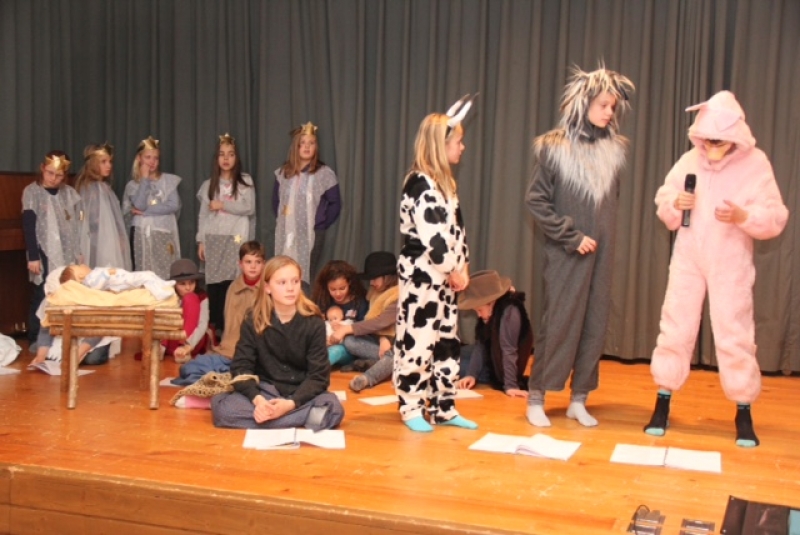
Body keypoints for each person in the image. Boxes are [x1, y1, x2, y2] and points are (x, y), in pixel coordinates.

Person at [643, 91, 788, 447]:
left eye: (717, 141)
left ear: (734, 136)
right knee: (675, 326)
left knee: (734, 332)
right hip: (689, 257)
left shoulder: (756, 164)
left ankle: (743, 409)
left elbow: (775, 214)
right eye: (706, 140)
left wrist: (744, 216)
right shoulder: (689, 159)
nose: (710, 147)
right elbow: (664, 197)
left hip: (731, 261)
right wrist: (676, 203)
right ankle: (663, 400)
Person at [524, 65, 634, 428]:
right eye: (603, 104)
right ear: (583, 103)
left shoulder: (613, 152)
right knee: (559, 322)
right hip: (567, 254)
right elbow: (536, 201)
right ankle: (537, 396)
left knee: (595, 322)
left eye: (612, 106)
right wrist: (570, 236)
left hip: (602, 255)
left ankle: (579, 398)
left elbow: (610, 205)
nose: (609, 112)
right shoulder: (554, 149)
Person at [393, 96, 476, 433]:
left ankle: (444, 406)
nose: (462, 147)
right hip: (422, 278)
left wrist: (463, 266)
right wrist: (452, 269)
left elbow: (457, 230)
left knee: (446, 342)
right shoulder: (419, 184)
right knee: (418, 340)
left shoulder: (446, 185)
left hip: (445, 280)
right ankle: (411, 406)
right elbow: (433, 238)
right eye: (458, 142)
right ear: (440, 145)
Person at [211, 255, 345, 430]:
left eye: (295, 281)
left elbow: (318, 377)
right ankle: (300, 419)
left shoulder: (314, 322)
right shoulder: (253, 320)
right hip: (265, 391)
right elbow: (241, 367)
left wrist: (290, 404)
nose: (290, 288)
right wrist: (258, 401)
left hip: (301, 392)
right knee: (223, 409)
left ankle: (273, 419)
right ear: (267, 287)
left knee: (334, 409)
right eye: (282, 283)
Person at [170, 240, 266, 390]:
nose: (253, 266)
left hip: (256, 352)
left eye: (257, 262)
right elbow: (230, 325)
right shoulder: (233, 288)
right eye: (248, 262)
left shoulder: (267, 289)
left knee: (249, 373)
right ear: (240, 264)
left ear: (264, 264)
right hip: (228, 349)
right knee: (191, 368)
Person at [196, 133, 256, 335]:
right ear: (217, 158)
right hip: (214, 239)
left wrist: (223, 204)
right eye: (222, 154)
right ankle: (216, 328)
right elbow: (203, 215)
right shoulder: (209, 185)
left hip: (236, 238)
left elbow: (248, 207)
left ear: (236, 158)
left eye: (230, 154)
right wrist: (201, 241)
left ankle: (233, 327)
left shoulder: (245, 182)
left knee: (233, 281)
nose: (226, 158)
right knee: (215, 284)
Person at [22, 151, 82, 349]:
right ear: (42, 169)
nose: (54, 179)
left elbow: (75, 226)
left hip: (67, 250)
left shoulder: (68, 193)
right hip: (44, 250)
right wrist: (33, 256)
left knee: (66, 289)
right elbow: (29, 225)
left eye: (59, 175)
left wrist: (78, 251)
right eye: (50, 173)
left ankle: (60, 335)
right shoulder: (32, 192)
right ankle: (35, 337)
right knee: (43, 291)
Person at [272, 122, 341, 283]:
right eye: (302, 143)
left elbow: (335, 202)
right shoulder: (283, 173)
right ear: (295, 147)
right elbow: (276, 200)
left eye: (311, 143)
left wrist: (320, 222)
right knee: (285, 269)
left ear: (316, 147)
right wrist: (286, 219)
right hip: (287, 230)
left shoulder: (324, 173)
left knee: (306, 273)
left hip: (312, 232)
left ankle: (306, 298)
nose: (307, 147)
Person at [456, 270, 533, 397]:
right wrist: (471, 374)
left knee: (449, 362)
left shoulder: (510, 312)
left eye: (479, 310)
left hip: (498, 369)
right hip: (491, 355)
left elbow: (509, 350)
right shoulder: (490, 313)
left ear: (491, 302)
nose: (478, 315)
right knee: (454, 351)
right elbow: (481, 345)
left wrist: (511, 386)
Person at [123, 136, 181, 279]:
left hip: (162, 233)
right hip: (141, 234)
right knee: (144, 272)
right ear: (139, 158)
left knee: (165, 271)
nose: (152, 162)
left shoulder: (168, 181)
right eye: (148, 157)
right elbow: (139, 204)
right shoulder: (133, 185)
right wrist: (144, 179)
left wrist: (146, 212)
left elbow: (173, 205)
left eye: (155, 158)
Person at [75, 142, 131, 270]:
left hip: (108, 240)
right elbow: (89, 220)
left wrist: (119, 237)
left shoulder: (103, 187)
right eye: (103, 162)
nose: (109, 165)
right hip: (98, 242)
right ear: (93, 163)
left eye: (110, 162)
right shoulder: (92, 189)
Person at [312, 259, 368, 366]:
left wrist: (345, 331)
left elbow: (366, 331)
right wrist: (322, 339)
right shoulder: (323, 301)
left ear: (349, 283)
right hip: (323, 344)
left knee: (335, 351)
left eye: (342, 288)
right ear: (326, 287)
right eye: (333, 289)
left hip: (347, 348)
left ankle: (315, 369)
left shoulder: (360, 303)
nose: (337, 293)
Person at [163, 259, 212, 363]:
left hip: (193, 342)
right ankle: (161, 349)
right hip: (171, 340)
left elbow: (203, 324)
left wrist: (188, 345)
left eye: (192, 282)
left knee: (191, 297)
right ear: (174, 284)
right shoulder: (168, 296)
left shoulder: (202, 297)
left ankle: (183, 351)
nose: (188, 287)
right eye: (182, 284)